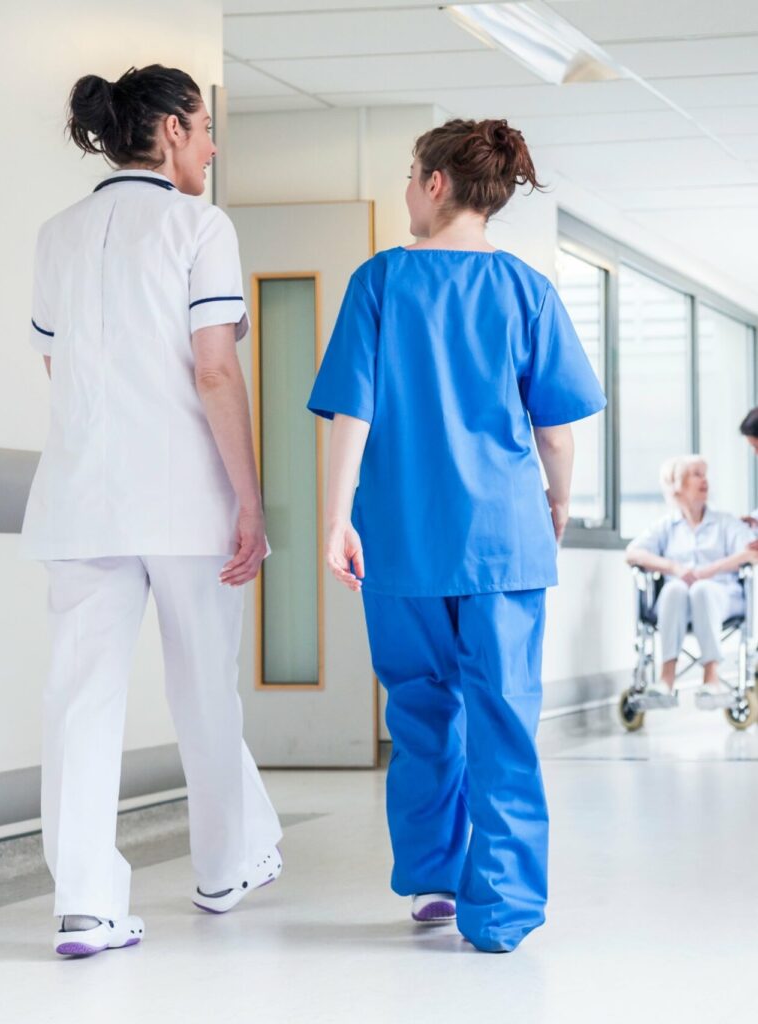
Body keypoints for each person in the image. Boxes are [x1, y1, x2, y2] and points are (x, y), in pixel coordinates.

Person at [307, 118, 605, 953]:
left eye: (409, 175)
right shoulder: (525, 289)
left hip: (401, 537)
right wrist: (555, 502)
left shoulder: (379, 282)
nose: (405, 189)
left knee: (421, 711)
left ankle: (434, 880)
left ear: (436, 183)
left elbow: (352, 412)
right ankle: (501, 909)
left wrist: (337, 521)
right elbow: (555, 430)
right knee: (503, 716)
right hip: (503, 541)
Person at [21, 65, 281, 958]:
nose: (212, 145)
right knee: (203, 684)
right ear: (171, 129)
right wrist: (249, 498)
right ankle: (223, 868)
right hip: (182, 496)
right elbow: (214, 369)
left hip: (80, 498)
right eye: (206, 127)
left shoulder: (56, 234)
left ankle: (85, 906)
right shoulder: (198, 225)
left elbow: (58, 371)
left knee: (80, 700)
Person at [625, 456, 756, 698]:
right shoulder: (666, 526)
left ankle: (712, 677)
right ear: (677, 483)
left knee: (701, 589)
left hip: (722, 596)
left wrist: (710, 570)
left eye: (705, 474)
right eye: (697, 474)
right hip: (678, 600)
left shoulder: (725, 523)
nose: (705, 480)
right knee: (675, 589)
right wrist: (674, 568)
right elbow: (633, 552)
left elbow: (751, 552)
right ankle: (666, 679)